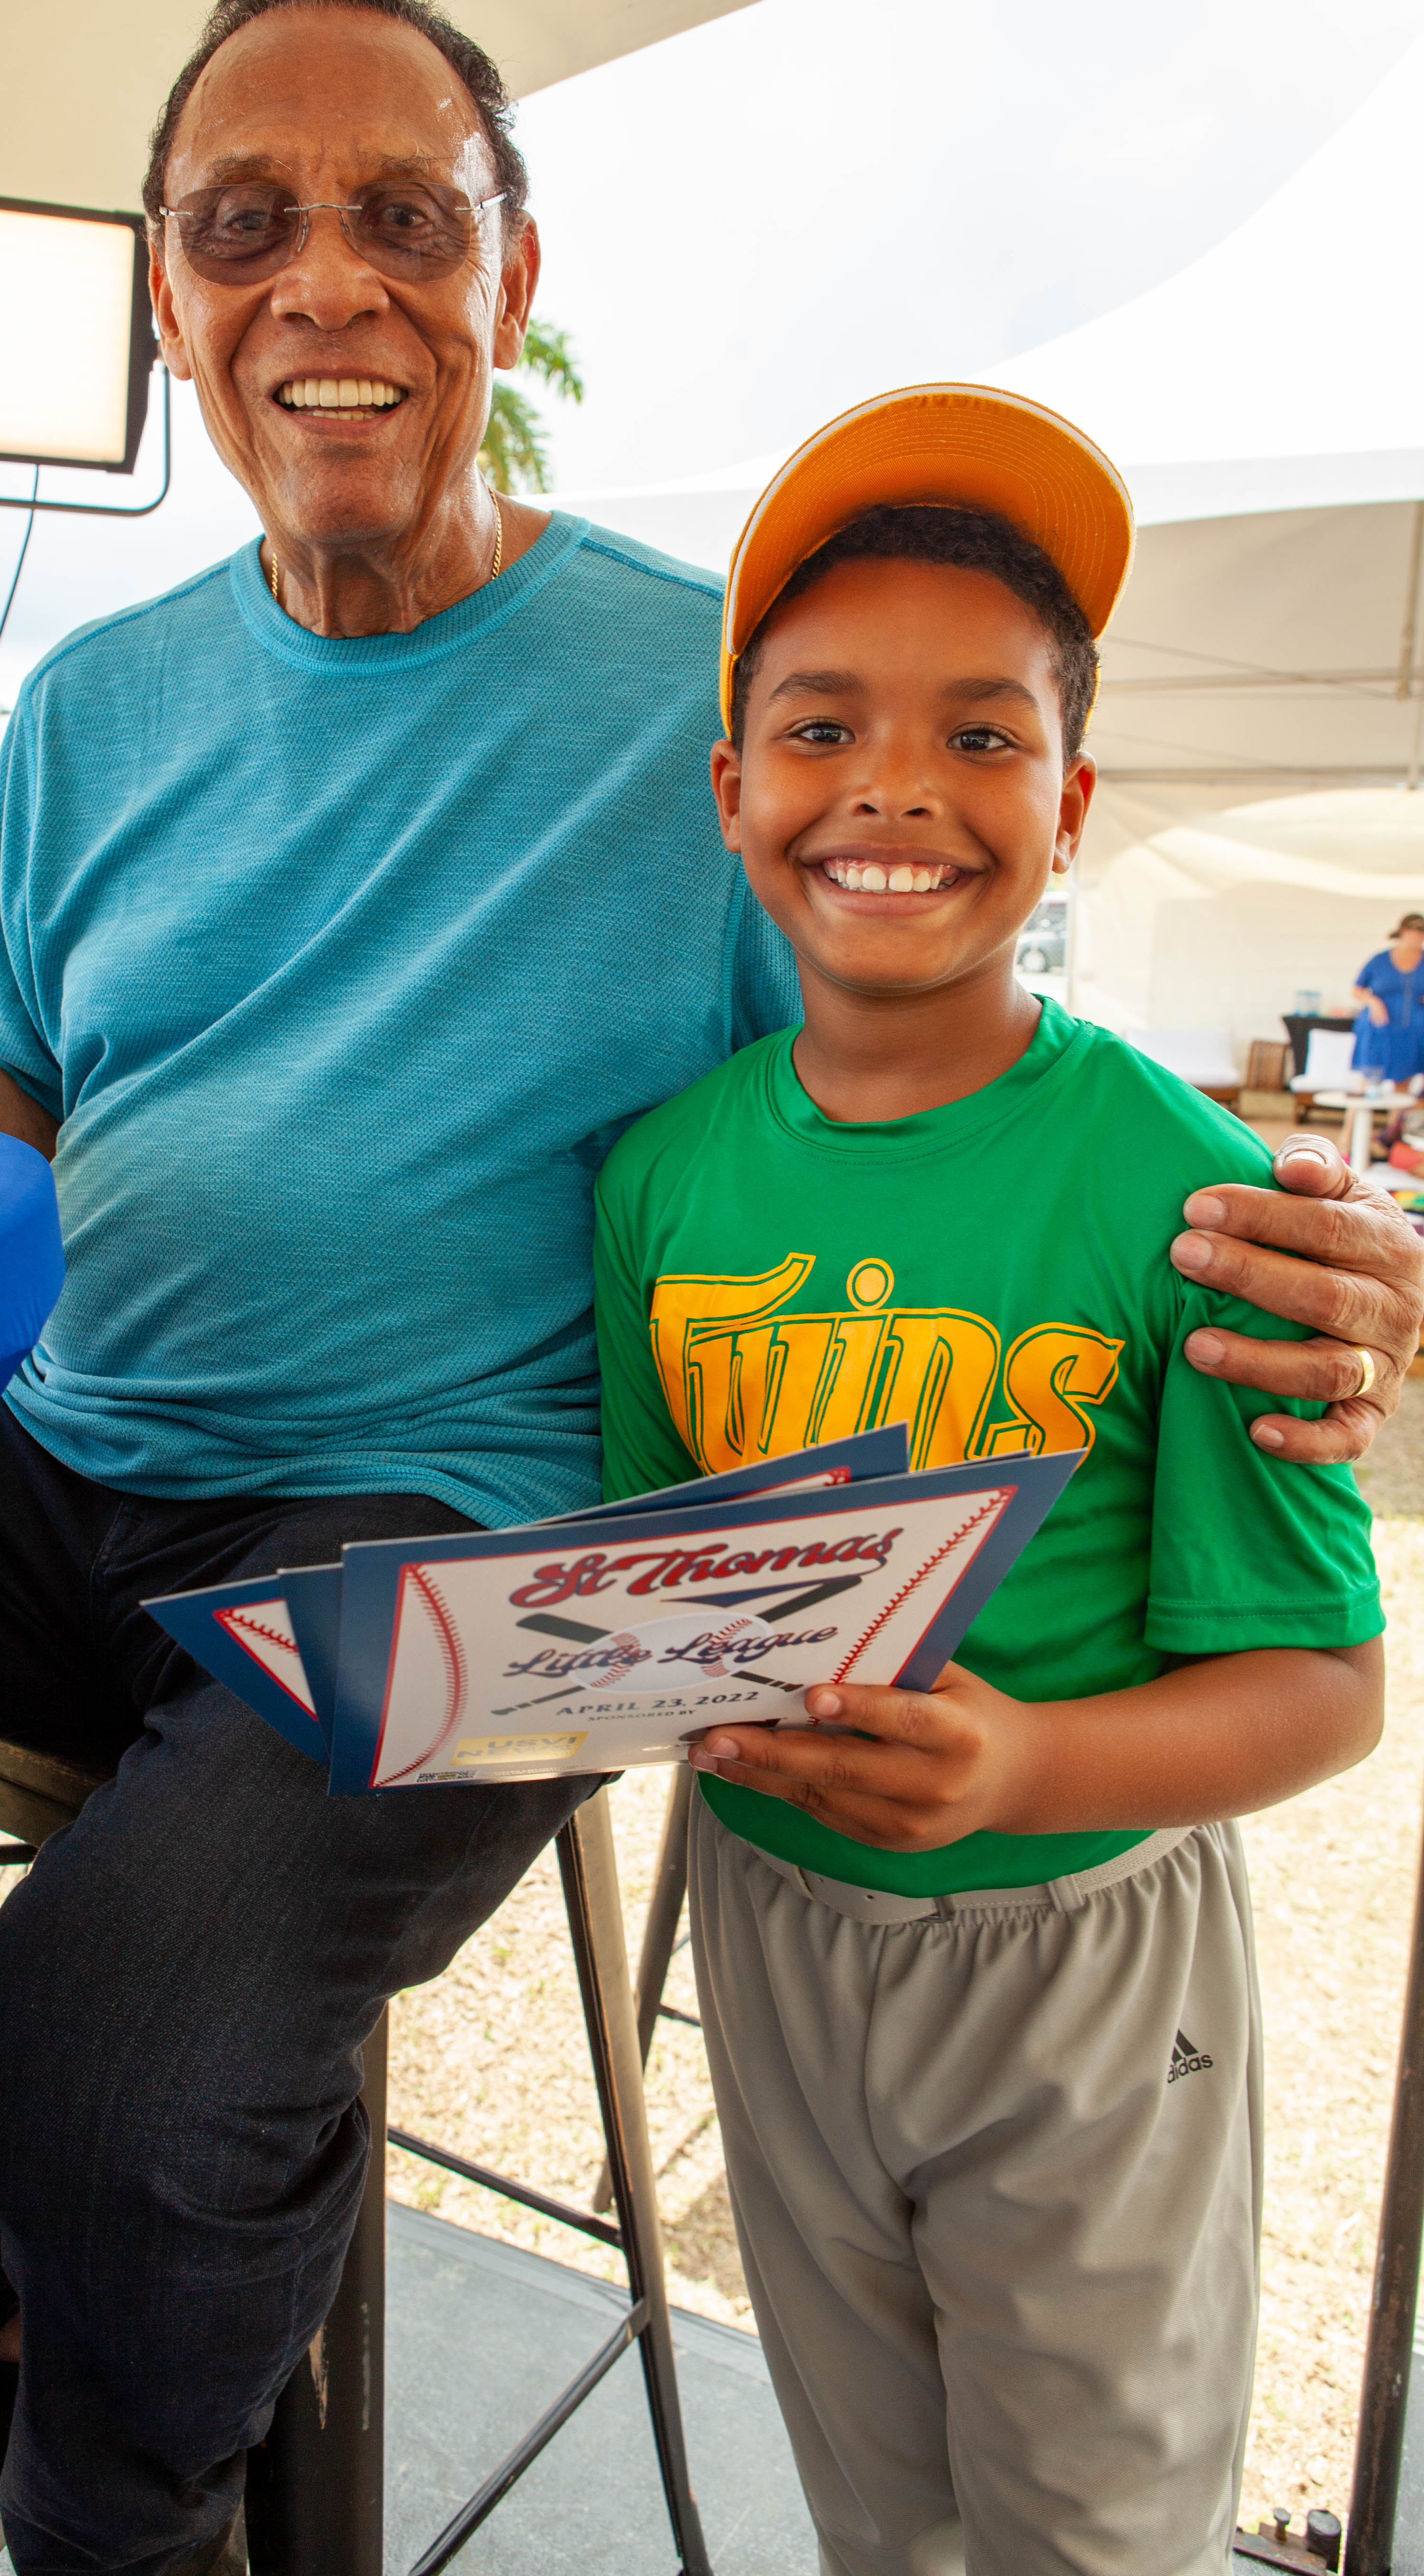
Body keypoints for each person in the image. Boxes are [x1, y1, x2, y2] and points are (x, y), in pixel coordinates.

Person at [0, 0, 1421, 2576]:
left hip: (435, 1528)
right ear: (166, 292)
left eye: (403, 216)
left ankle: (114, 2506)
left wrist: (1281, 1251)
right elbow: (35, 1117)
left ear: (512, 268)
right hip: (60, 1448)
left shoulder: (700, 694)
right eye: (244, 224)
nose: (326, 288)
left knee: (101, 2059)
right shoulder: (88, 710)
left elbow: (947, 1066)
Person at [593, 385, 1385, 2576]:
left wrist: (1023, 1759)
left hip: (1079, 1960)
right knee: (876, 2506)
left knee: (1094, 2531)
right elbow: (654, 1585)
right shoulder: (663, 1179)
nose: (896, 791)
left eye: (980, 734)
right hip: (770, 1928)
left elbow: (1324, 1687)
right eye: (824, 725)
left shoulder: (1190, 1188)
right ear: (732, 785)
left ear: (1073, 798)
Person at [1352, 912, 1424, 1085]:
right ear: (1404, 932)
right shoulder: (1380, 960)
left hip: (1413, 1028)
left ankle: (1399, 1114)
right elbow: (1357, 989)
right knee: (1370, 1075)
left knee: (1404, 1077)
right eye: (1418, 932)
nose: (1421, 937)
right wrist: (1374, 1002)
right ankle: (1356, 1112)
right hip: (1380, 1026)